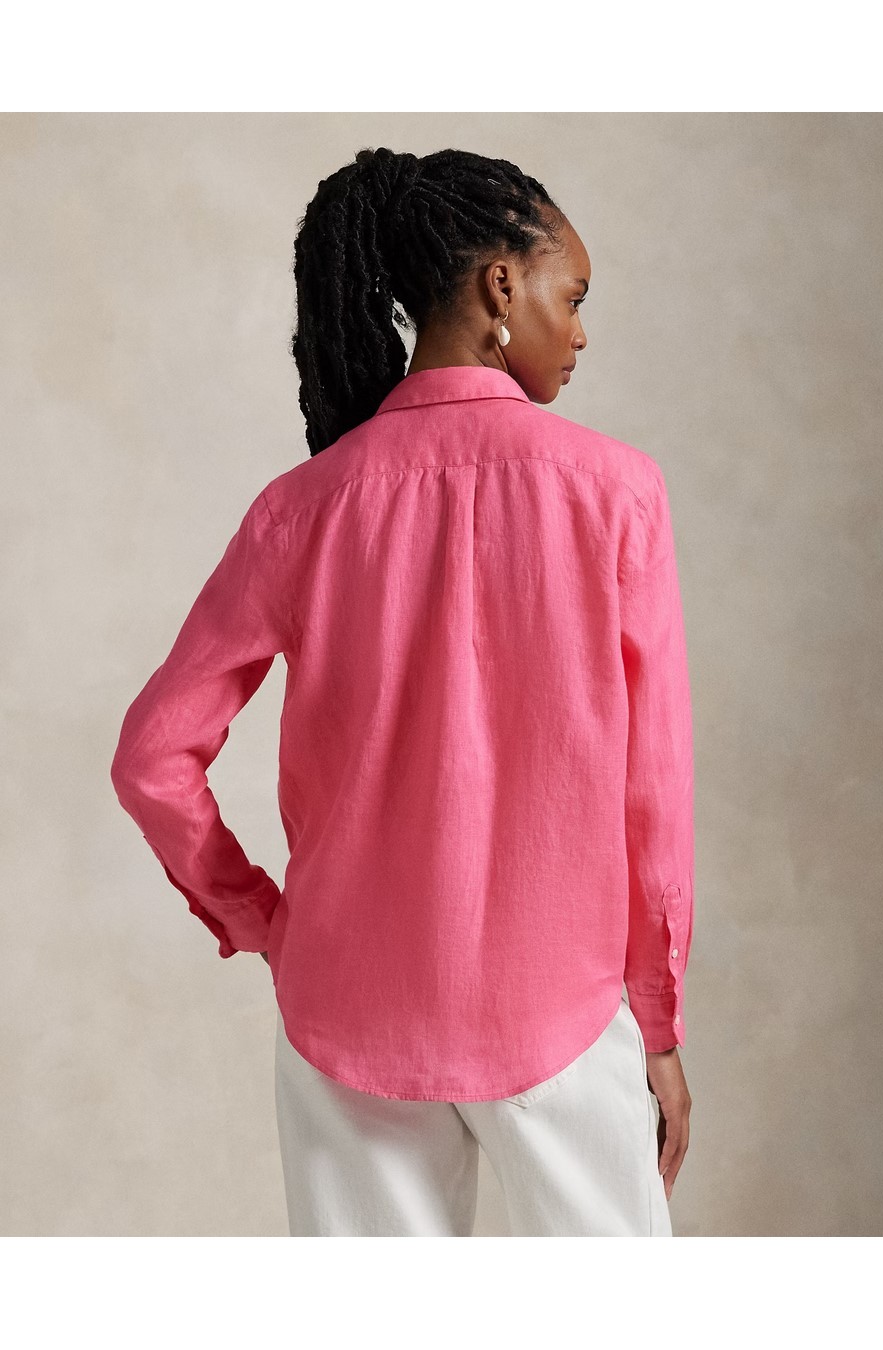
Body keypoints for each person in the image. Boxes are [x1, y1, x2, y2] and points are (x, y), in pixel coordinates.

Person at [110, 145, 694, 1237]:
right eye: (572, 296)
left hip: (345, 1008)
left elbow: (151, 758)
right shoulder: (618, 494)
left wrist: (263, 920)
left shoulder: (300, 508)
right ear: (501, 287)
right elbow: (651, 794)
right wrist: (658, 1021)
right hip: (559, 1010)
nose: (580, 331)